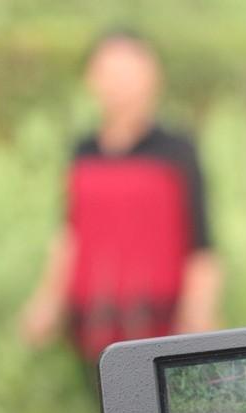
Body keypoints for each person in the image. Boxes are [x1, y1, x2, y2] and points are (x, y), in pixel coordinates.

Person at [20, 29, 222, 362]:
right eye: (109, 73)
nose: (119, 86)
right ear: (91, 80)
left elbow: (201, 245)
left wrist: (200, 318)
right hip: (91, 328)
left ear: (153, 79)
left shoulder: (177, 150)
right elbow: (71, 234)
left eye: (129, 73)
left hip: (161, 328)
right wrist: (46, 301)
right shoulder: (82, 152)